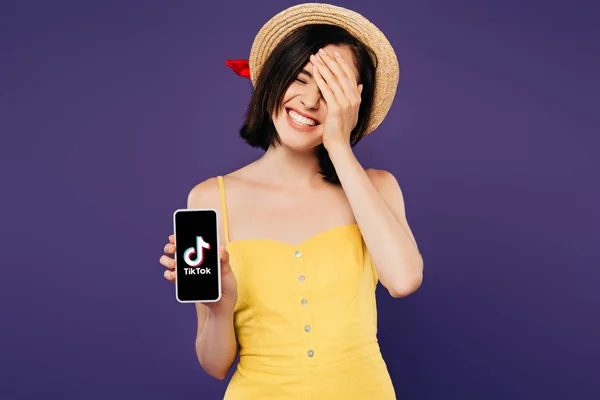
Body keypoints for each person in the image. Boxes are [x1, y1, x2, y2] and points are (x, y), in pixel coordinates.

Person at [159, 3, 423, 399]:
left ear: (353, 104)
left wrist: (339, 145)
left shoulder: (376, 187)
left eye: (331, 91)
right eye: (300, 78)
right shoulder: (210, 199)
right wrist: (219, 306)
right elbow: (215, 365)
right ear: (273, 78)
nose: (310, 101)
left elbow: (403, 281)